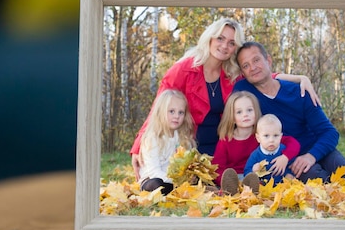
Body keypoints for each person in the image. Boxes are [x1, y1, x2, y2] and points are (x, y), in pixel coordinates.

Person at [129, 18, 320, 180]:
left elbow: (264, 75)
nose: (224, 46)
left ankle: (246, 181)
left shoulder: (232, 72)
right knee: (200, 178)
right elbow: (158, 107)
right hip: (193, 141)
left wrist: (300, 78)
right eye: (220, 38)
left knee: (237, 169)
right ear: (210, 38)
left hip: (223, 140)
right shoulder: (184, 69)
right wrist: (138, 145)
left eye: (231, 43)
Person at [234, 41, 345, 184]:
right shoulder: (245, 92)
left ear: (268, 61)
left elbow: (330, 132)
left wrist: (311, 156)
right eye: (246, 65)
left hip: (318, 148)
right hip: (289, 157)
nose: (253, 68)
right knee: (318, 179)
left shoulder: (298, 92)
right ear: (243, 72)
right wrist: (300, 76)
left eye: (256, 60)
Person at [212, 91, 300, 195]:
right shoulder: (226, 140)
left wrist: (285, 157)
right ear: (232, 117)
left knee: (260, 182)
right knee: (234, 179)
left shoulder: (264, 135)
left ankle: (252, 190)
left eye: (249, 110)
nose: (245, 115)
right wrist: (226, 181)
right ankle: (234, 189)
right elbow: (217, 168)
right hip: (237, 177)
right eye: (239, 112)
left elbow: (293, 143)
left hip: (260, 177)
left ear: (256, 112)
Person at [137, 89, 196, 194]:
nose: (177, 116)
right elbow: (154, 171)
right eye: (171, 111)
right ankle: (172, 190)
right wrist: (176, 181)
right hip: (152, 178)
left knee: (196, 180)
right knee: (157, 184)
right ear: (161, 112)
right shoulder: (153, 138)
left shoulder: (182, 138)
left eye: (181, 112)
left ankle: (176, 189)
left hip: (174, 180)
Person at [244, 114, 296, 185]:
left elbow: (292, 166)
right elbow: (246, 172)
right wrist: (253, 170)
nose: (271, 140)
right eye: (266, 136)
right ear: (258, 138)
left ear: (281, 136)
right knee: (256, 185)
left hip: (282, 187)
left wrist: (289, 174)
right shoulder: (256, 155)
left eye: (275, 135)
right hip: (263, 188)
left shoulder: (283, 151)